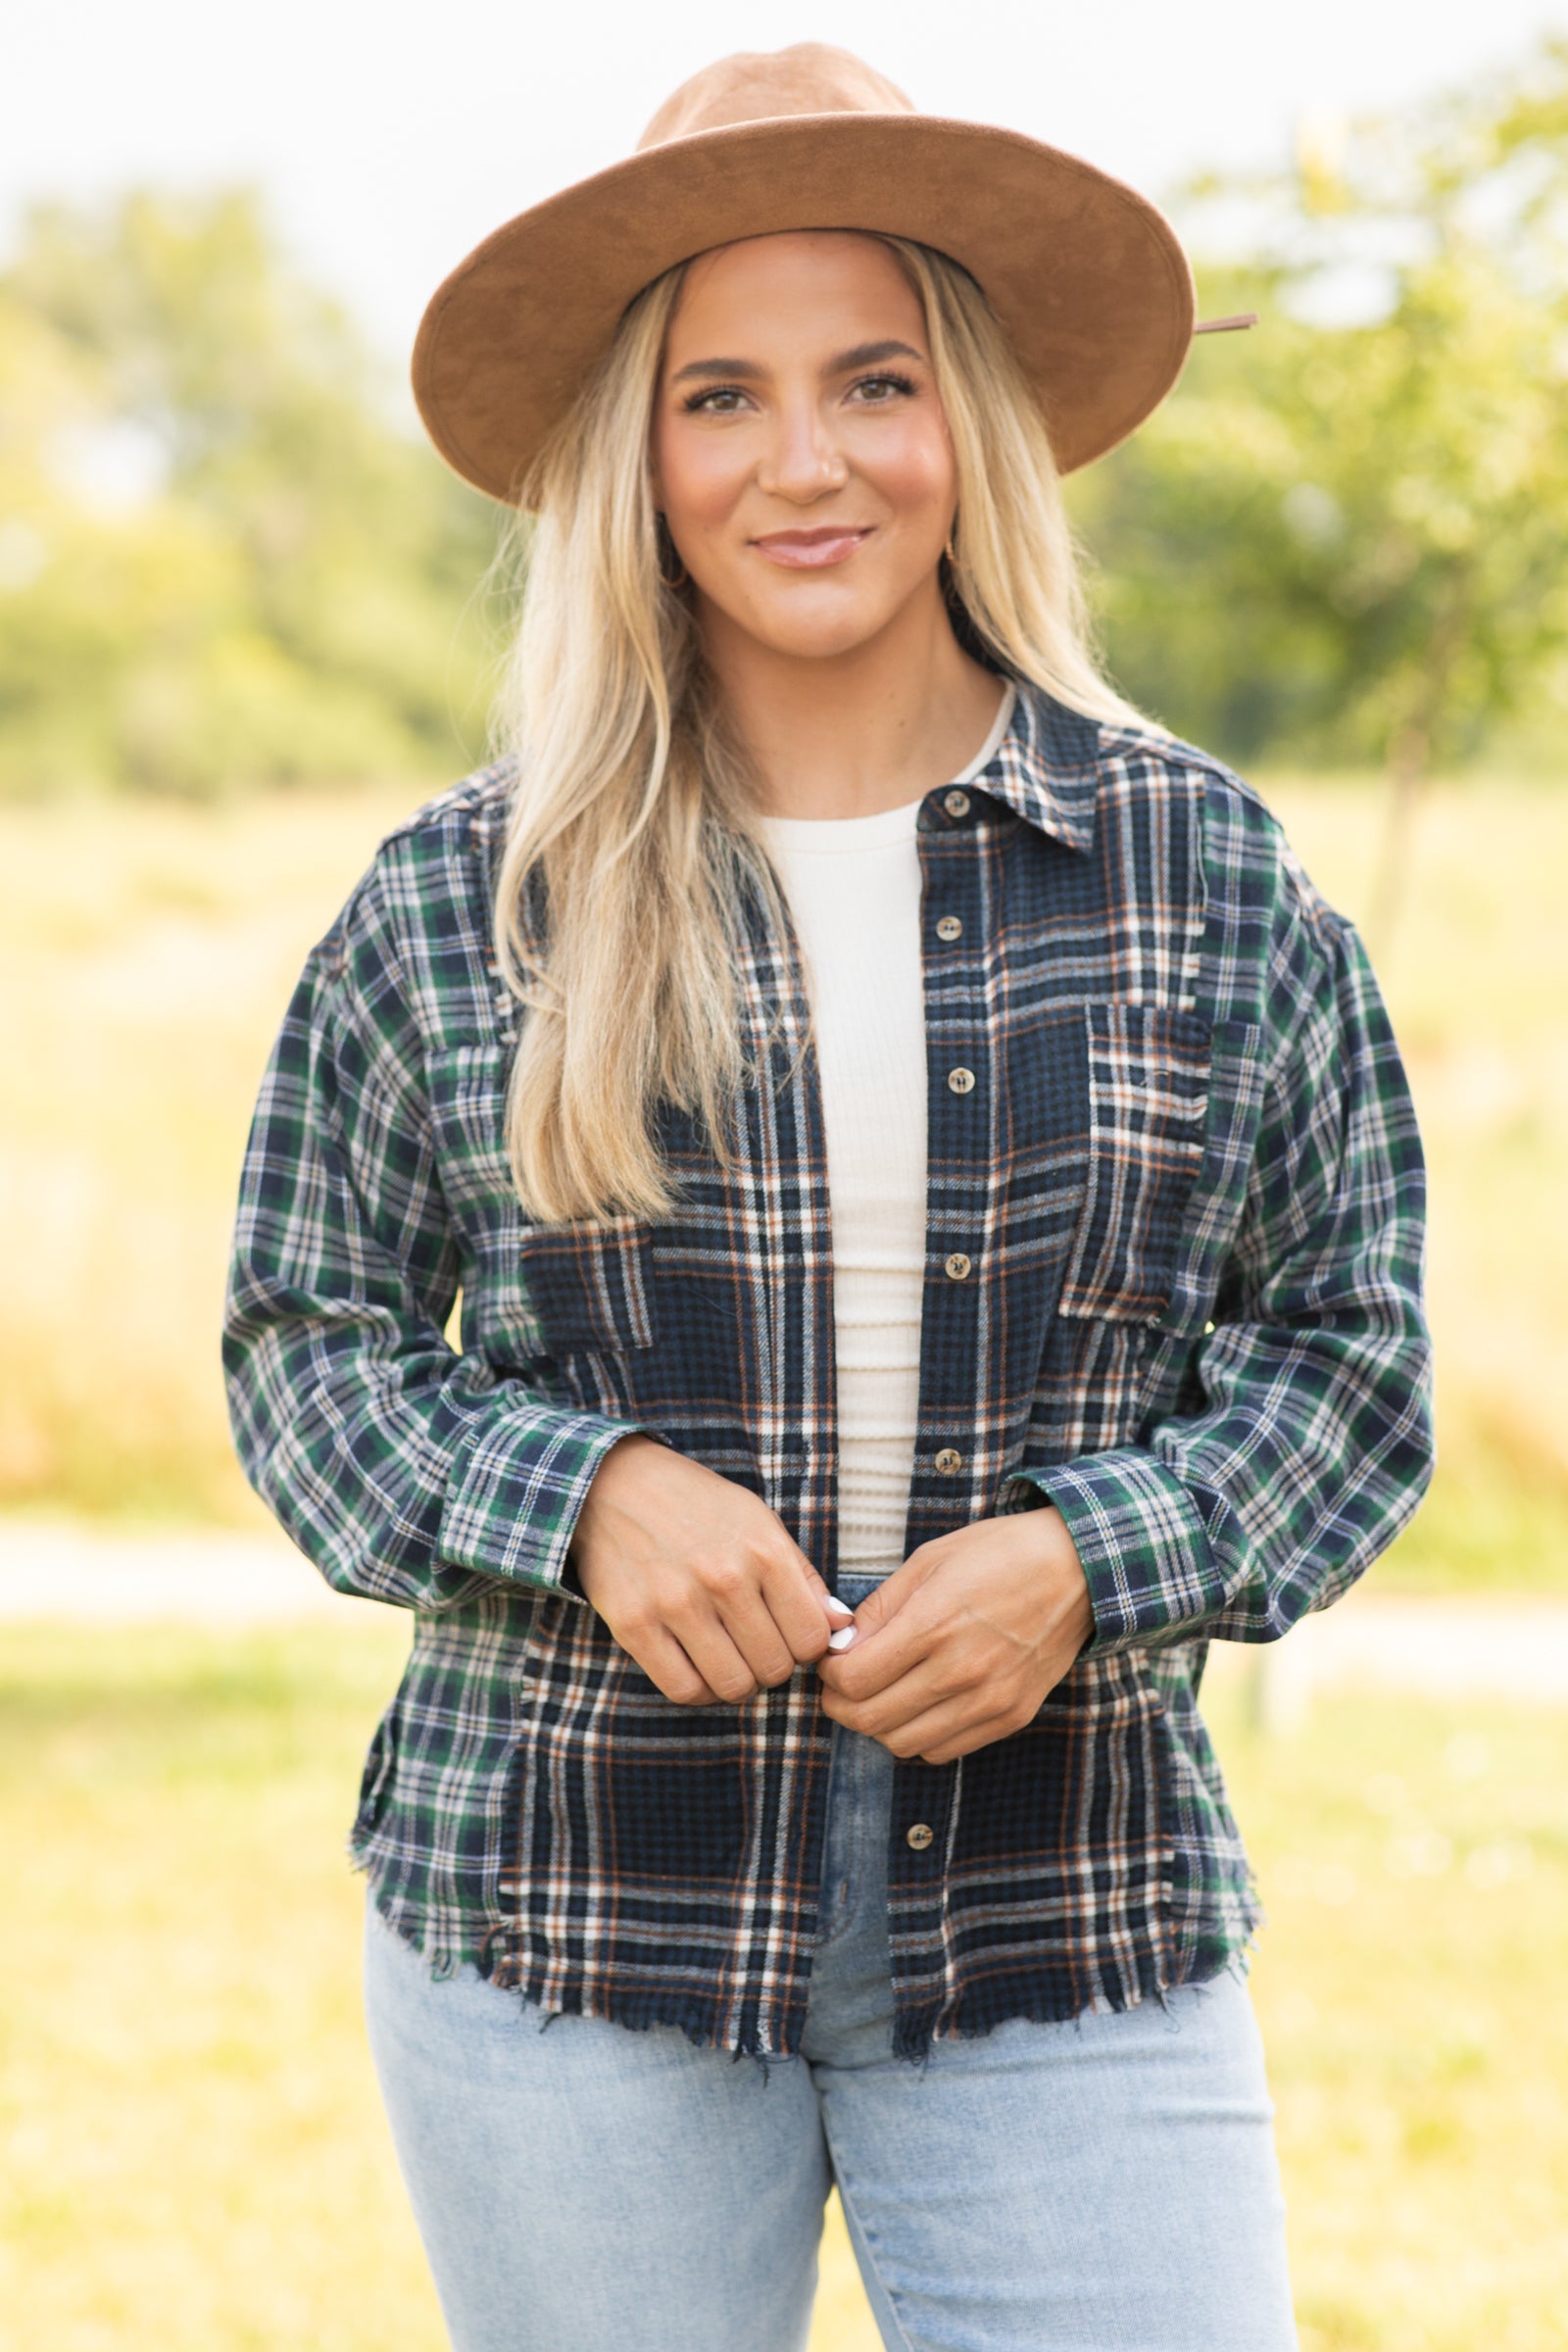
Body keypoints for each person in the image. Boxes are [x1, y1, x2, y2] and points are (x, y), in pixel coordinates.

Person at [223, 43, 1433, 2352]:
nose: (803, 462)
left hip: (1062, 1919)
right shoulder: (462, 906)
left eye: (871, 380)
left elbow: (1346, 1369)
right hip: (573, 1926)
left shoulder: (1207, 877)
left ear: (964, 419)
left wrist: (1099, 1559)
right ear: (633, 457)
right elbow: (304, 1351)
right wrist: (578, 1498)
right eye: (719, 396)